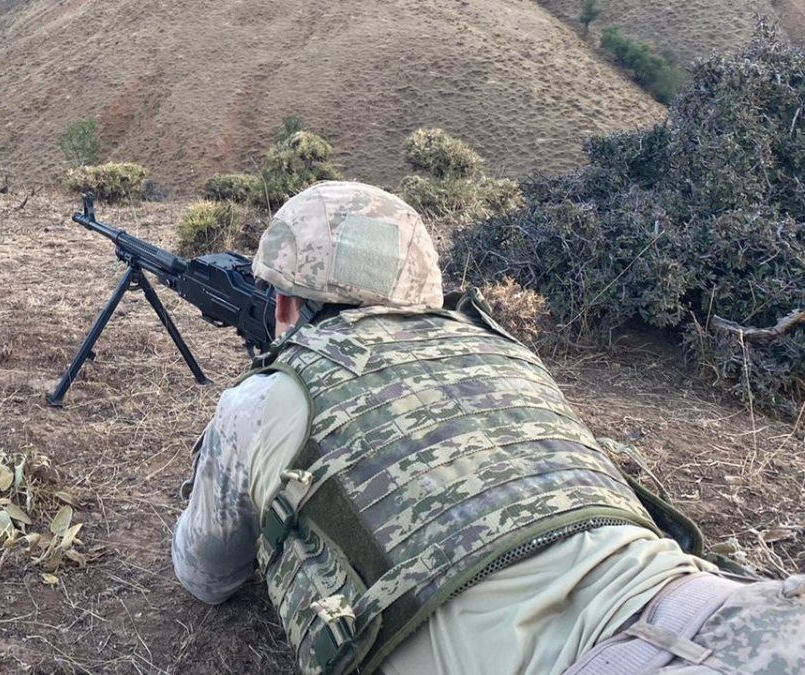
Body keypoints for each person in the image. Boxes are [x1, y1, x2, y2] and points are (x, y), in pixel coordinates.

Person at [171, 181, 805, 675]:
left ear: (283, 303)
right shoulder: (510, 354)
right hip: (731, 611)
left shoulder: (258, 404)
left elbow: (206, 576)